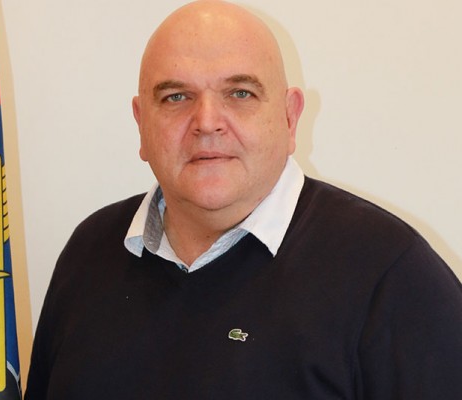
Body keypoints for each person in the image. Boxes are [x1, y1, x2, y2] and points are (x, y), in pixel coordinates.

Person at [25, 1, 462, 398]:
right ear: (141, 124)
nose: (207, 122)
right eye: (176, 97)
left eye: (240, 93)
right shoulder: (89, 252)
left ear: (290, 117)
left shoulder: (392, 275)